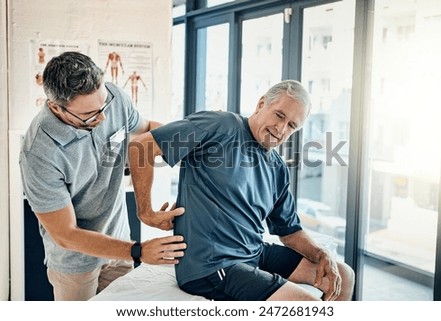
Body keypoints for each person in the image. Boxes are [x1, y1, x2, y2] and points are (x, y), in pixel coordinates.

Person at [128, 80, 355, 301]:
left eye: (292, 126)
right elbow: (142, 146)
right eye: (279, 115)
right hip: (211, 263)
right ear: (261, 104)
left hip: (254, 252)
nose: (281, 129)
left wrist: (321, 254)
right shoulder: (219, 124)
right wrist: (146, 212)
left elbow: (290, 232)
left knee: (344, 275)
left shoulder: (277, 167)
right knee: (305, 305)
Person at [19, 51, 186, 301]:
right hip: (75, 262)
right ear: (56, 107)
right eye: (89, 115)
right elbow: (66, 234)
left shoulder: (113, 98)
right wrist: (139, 251)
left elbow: (148, 131)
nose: (104, 117)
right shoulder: (39, 152)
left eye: (103, 105)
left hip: (120, 244)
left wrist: (188, 149)